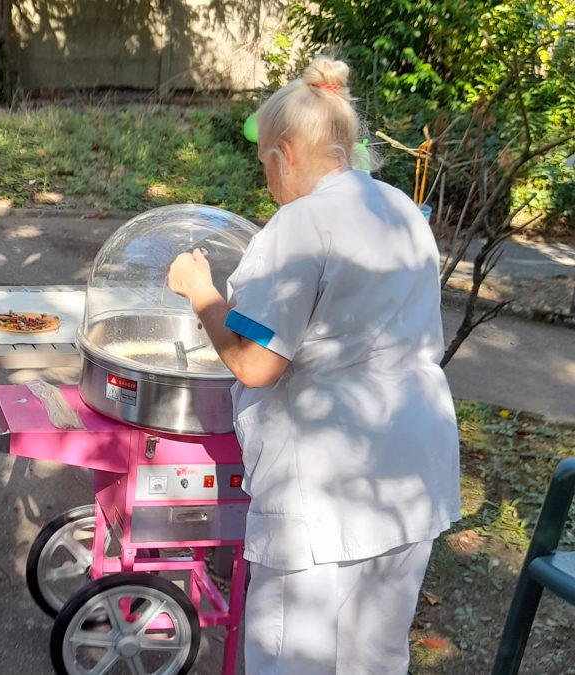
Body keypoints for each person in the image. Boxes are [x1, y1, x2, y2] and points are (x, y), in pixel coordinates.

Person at [168, 56, 460, 674]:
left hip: (324, 486)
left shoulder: (300, 224)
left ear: (283, 153)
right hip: (412, 470)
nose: (266, 180)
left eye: (263, 164)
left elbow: (256, 362)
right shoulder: (400, 209)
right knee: (375, 658)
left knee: (292, 658)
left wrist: (201, 293)